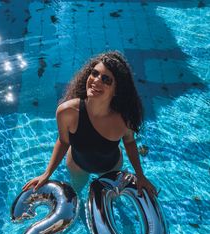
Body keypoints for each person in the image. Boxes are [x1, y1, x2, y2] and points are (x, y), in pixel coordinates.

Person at [22, 51, 158, 197]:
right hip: (77, 166)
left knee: (111, 197)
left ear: (116, 90)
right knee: (76, 192)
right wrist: (47, 173)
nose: (96, 81)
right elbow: (63, 141)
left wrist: (140, 175)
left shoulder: (123, 120)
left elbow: (130, 142)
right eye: (94, 73)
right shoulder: (67, 112)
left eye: (106, 79)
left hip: (111, 167)